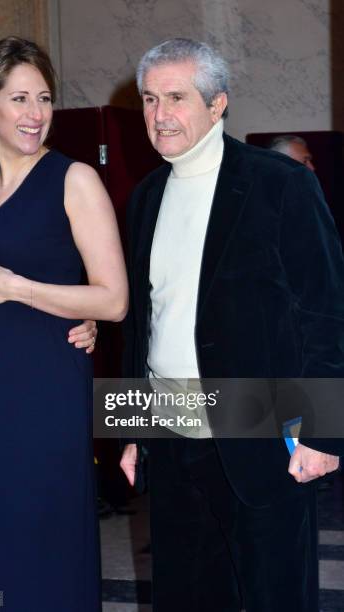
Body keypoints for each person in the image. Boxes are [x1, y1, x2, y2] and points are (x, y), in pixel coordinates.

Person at [120, 38, 344, 612]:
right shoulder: (145, 196)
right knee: (186, 595)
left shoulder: (281, 184)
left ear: (218, 104)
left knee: (275, 596)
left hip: (261, 430)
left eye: (176, 97)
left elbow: (326, 314)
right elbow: (143, 323)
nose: (159, 115)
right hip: (169, 431)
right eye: (149, 99)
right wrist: (128, 425)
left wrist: (323, 436)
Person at [0, 36, 128, 611]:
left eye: (44, 98)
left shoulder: (73, 179)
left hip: (40, 393)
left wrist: (17, 289)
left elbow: (113, 299)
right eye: (19, 99)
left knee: (40, 542)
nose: (36, 114)